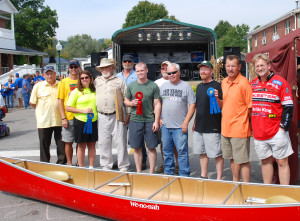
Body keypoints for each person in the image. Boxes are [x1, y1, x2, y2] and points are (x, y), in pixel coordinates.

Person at [251, 54, 294, 185]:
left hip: (277, 131)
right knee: (265, 162)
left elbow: (288, 106)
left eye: (262, 65)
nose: (260, 68)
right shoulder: (252, 84)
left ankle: (285, 192)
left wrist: (283, 129)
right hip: (259, 133)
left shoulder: (280, 82)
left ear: (269, 66)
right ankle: (267, 190)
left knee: (282, 162)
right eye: (257, 66)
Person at [124, 62, 161, 173]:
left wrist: (156, 121)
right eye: (138, 71)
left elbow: (157, 104)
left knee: (151, 147)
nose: (140, 73)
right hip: (135, 120)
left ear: (146, 70)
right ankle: (139, 172)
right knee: (137, 147)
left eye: (142, 70)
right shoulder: (131, 86)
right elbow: (126, 100)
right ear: (136, 72)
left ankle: (151, 172)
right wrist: (131, 103)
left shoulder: (153, 86)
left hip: (149, 120)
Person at [160, 63, 196, 177]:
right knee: (166, 152)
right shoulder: (163, 86)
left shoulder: (186, 86)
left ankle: (184, 174)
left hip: (180, 127)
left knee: (182, 153)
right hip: (165, 126)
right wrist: (159, 118)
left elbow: (192, 105)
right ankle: (168, 172)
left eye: (174, 72)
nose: (171, 75)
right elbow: (157, 103)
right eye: (169, 73)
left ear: (179, 72)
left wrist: (186, 122)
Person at [94, 58, 129, 171]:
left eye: (107, 67)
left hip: (117, 115)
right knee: (104, 142)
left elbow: (126, 98)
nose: (105, 69)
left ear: (112, 68)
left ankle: (123, 165)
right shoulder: (96, 81)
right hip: (102, 115)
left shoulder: (120, 81)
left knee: (120, 141)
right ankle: (106, 165)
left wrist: (128, 115)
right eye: (102, 68)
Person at [221, 55, 252, 182]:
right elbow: (225, 103)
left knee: (243, 161)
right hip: (226, 129)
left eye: (233, 66)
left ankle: (246, 187)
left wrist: (247, 125)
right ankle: (235, 184)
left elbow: (250, 108)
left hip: (240, 129)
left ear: (239, 67)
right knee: (232, 158)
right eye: (228, 66)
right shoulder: (224, 82)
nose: (230, 69)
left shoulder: (244, 83)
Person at [192, 61, 224, 180]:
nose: (203, 72)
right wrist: (195, 122)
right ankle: (203, 175)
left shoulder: (218, 86)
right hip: (200, 125)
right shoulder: (199, 87)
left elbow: (222, 105)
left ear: (211, 71)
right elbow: (199, 106)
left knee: (217, 154)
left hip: (213, 126)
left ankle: (219, 178)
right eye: (201, 69)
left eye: (206, 69)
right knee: (202, 152)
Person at [116, 54, 148, 170]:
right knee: (120, 138)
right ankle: (121, 161)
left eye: (129, 61)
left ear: (133, 62)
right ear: (122, 62)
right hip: (121, 109)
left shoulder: (137, 74)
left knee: (139, 136)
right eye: (125, 61)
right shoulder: (117, 76)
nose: (127, 63)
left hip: (136, 109)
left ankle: (143, 160)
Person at [29, 66, 66, 164]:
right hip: (44, 120)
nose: (49, 76)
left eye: (51, 73)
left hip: (59, 119)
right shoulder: (38, 86)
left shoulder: (61, 85)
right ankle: (45, 164)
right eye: (47, 74)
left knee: (61, 144)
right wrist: (42, 111)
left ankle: (62, 164)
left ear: (55, 74)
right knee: (44, 145)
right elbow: (32, 102)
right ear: (43, 75)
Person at [66, 70, 98, 168]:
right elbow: (68, 107)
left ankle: (91, 166)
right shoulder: (76, 92)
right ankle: (81, 167)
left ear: (90, 78)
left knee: (92, 144)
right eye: (82, 78)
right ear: (80, 80)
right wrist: (82, 111)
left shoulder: (95, 90)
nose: (84, 80)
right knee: (81, 145)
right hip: (80, 121)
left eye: (86, 77)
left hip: (93, 121)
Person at [154, 61, 179, 174]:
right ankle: (166, 165)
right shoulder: (156, 83)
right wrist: (158, 118)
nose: (164, 69)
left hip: (176, 117)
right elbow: (154, 102)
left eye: (166, 67)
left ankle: (178, 165)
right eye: (162, 67)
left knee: (176, 143)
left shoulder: (177, 82)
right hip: (162, 118)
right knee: (164, 143)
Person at [58, 60, 80, 166]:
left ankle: (79, 162)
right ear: (68, 69)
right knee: (68, 142)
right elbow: (60, 100)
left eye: (75, 67)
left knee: (80, 142)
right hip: (69, 117)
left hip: (81, 116)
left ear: (79, 67)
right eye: (71, 67)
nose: (73, 69)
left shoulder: (83, 80)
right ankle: (70, 164)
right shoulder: (63, 82)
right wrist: (63, 118)